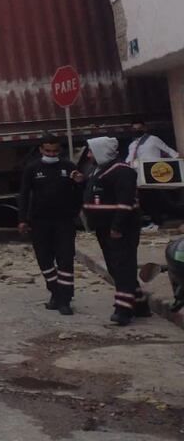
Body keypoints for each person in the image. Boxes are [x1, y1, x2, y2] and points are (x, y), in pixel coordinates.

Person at [83, 136, 152, 325]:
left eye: (90, 151)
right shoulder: (100, 170)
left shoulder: (122, 171)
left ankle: (123, 310)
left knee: (123, 266)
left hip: (121, 228)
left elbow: (125, 202)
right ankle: (140, 304)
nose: (88, 155)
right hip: (104, 227)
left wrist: (117, 226)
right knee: (115, 266)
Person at [17, 135, 84, 314]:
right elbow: (24, 195)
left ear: (60, 150)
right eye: (48, 151)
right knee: (44, 259)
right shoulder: (32, 168)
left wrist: (79, 185)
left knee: (65, 260)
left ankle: (65, 300)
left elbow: (79, 193)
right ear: (41, 150)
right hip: (39, 222)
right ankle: (55, 293)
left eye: (54, 151)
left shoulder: (68, 167)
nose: (51, 154)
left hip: (64, 222)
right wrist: (22, 219)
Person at [125, 121, 179, 228]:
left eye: (139, 128)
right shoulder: (132, 145)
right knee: (146, 200)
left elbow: (170, 152)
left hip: (154, 174)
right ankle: (155, 221)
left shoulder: (153, 139)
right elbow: (129, 159)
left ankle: (159, 221)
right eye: (134, 129)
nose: (137, 131)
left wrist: (176, 165)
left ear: (145, 128)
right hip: (140, 176)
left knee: (159, 199)